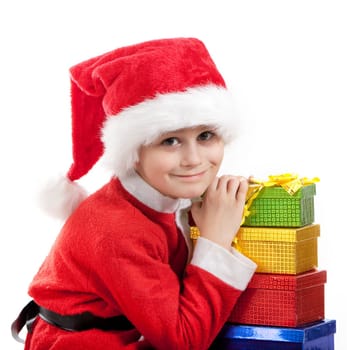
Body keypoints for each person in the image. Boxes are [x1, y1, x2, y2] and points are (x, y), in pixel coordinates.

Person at [12, 37, 257, 350]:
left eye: (206, 135)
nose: (194, 160)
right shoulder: (117, 230)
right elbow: (182, 343)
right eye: (170, 141)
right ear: (134, 151)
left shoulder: (165, 194)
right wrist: (215, 241)